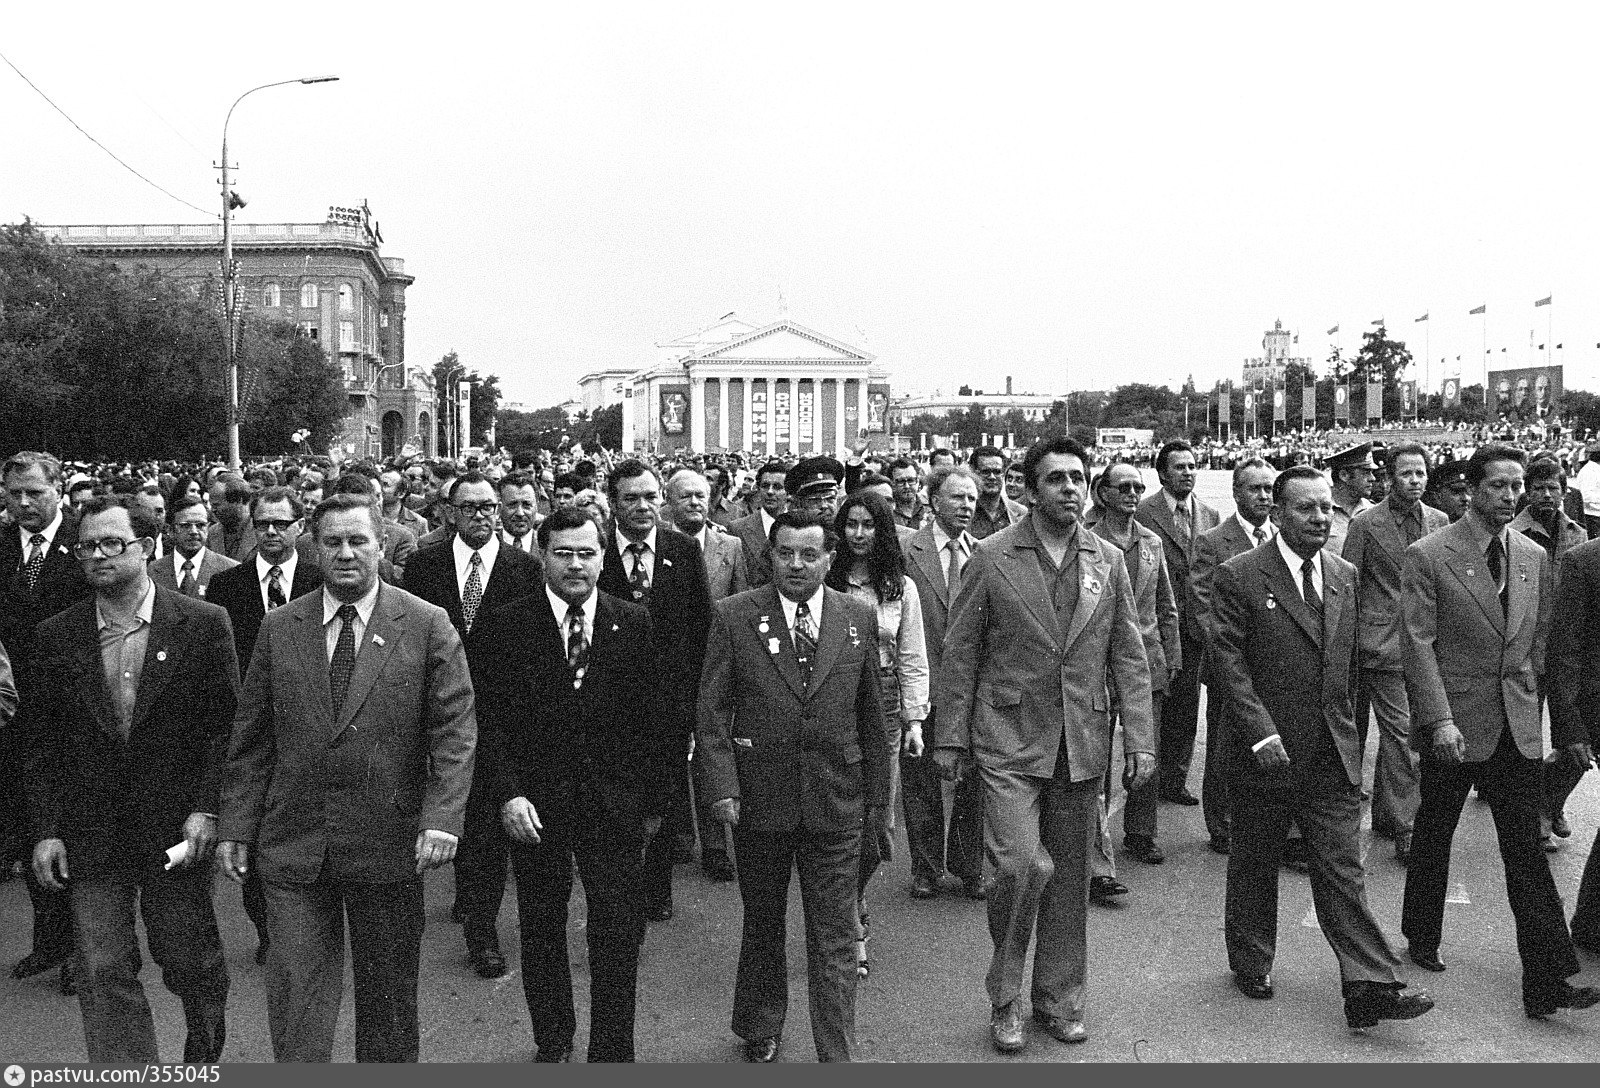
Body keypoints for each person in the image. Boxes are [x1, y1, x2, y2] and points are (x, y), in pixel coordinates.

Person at [218, 493, 477, 1062]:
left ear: (382, 546)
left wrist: (441, 819)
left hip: (386, 844)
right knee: (297, 1000)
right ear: (313, 547)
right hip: (295, 844)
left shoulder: (427, 624)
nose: (345, 554)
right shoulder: (280, 628)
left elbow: (455, 733)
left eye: (358, 540)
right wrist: (236, 823)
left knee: (386, 1003)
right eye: (332, 542)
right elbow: (252, 737)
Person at [937, 436, 1154, 1052]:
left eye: (1078, 478)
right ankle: (1006, 997)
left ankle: (1058, 1000)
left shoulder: (1106, 560)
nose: (1070, 488)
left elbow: (1128, 655)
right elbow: (961, 651)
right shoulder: (992, 556)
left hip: (1080, 739)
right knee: (1016, 867)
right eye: (1056, 478)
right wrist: (950, 738)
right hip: (1007, 738)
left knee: (1068, 882)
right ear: (1029, 491)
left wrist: (1140, 737)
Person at [1209, 467, 1435, 1030]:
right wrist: (1260, 732)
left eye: (1325, 508)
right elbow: (1228, 666)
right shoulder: (1239, 576)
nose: (1319, 519)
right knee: (1256, 860)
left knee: (1341, 867)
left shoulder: (1343, 575)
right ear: (1279, 515)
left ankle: (1369, 984)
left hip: (1332, 753)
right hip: (1266, 751)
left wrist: (1353, 737)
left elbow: (1348, 669)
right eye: (1305, 509)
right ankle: (1252, 960)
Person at [26, 495, 237, 1061]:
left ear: (146, 548)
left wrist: (207, 808)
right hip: (91, 831)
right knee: (102, 965)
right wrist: (46, 828)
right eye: (87, 546)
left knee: (187, 957)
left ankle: (204, 1030)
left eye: (111, 544)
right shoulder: (55, 636)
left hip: (174, 828)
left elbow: (225, 728)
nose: (97, 556)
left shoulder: (201, 624)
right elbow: (41, 743)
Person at [1399, 445, 1599, 1019]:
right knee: (1435, 832)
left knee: (1526, 855)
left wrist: (1538, 707)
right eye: (1498, 487)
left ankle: (1549, 980)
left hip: (1514, 724)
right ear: (1472, 489)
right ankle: (1422, 932)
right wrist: (1437, 718)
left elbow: (1539, 640)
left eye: (1517, 486)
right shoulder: (1430, 555)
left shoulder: (1534, 556)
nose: (1510, 496)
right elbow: (1417, 643)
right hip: (1455, 724)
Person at [473, 508, 667, 1062]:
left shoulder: (632, 623)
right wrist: (508, 794)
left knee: (616, 935)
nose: (576, 565)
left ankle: (612, 1051)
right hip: (535, 807)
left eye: (587, 553)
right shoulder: (507, 623)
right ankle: (553, 1038)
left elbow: (655, 721)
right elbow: (488, 722)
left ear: (603, 557)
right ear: (542, 556)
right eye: (564, 553)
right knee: (541, 927)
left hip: (615, 807)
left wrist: (653, 805)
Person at [697, 510, 891, 1062]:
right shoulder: (735, 616)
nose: (798, 565)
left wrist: (879, 801)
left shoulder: (857, 615)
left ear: (831, 559)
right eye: (786, 553)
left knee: (835, 934)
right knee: (763, 923)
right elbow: (711, 713)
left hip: (836, 799)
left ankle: (838, 1050)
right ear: (771, 556)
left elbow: (872, 718)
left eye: (811, 554)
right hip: (760, 800)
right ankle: (760, 1021)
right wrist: (721, 789)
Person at [402, 471, 540, 979]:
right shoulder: (425, 566)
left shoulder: (525, 568)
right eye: (471, 507)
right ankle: (461, 911)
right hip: (439, 712)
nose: (482, 515)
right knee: (446, 813)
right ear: (449, 512)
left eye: (490, 506)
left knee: (486, 827)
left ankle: (481, 931)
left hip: (504, 714)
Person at [600, 461, 712, 922]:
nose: (643, 507)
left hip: (668, 704)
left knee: (665, 796)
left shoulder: (682, 550)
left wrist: (695, 706)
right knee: (614, 799)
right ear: (613, 504)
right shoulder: (597, 551)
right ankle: (617, 885)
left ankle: (657, 884)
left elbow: (701, 627)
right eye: (631, 498)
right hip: (608, 701)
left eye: (650, 497)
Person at [828, 492, 929, 978]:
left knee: (879, 826)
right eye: (851, 524)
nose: (859, 534)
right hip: (833, 706)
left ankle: (853, 897)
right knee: (839, 822)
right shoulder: (825, 579)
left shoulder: (899, 588)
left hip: (885, 712)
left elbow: (913, 656)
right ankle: (850, 921)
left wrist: (914, 720)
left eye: (869, 524)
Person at [2, 450, 91, 994]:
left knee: (74, 827)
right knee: (31, 825)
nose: (24, 503)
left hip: (74, 709)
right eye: (14, 494)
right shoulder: (1, 547)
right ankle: (50, 940)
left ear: (57, 488)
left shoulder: (86, 545)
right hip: (15, 712)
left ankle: (86, 949)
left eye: (34, 492)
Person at [1341, 444, 1448, 864]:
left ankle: (1389, 814)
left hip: (1427, 643)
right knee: (1402, 734)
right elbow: (1348, 583)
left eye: (1421, 473)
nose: (1415, 481)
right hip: (1380, 646)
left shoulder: (1439, 522)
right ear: (1389, 477)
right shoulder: (1367, 524)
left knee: (1409, 733)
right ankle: (1407, 826)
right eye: (1406, 473)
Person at [1084, 461, 1180, 888]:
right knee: (1097, 756)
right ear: (1101, 492)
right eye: (1122, 486)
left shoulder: (1151, 542)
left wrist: (1171, 656)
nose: (1132, 493)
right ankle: (1092, 842)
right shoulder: (1087, 541)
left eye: (1138, 486)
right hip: (1097, 663)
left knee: (1145, 749)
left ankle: (1141, 831)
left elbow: (1166, 605)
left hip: (1146, 661)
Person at [899, 466, 985, 901]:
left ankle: (970, 866)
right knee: (920, 782)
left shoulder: (984, 553)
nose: (967, 506)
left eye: (972, 499)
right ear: (933, 502)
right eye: (957, 498)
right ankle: (926, 867)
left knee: (974, 780)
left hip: (969, 690)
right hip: (922, 685)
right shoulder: (905, 549)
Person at [662, 468, 748, 881]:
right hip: (675, 664)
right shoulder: (659, 546)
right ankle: (680, 832)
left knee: (713, 749)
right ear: (669, 502)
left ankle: (716, 845)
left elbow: (745, 603)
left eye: (701, 495)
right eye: (685, 497)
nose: (695, 502)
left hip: (720, 662)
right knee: (674, 749)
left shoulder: (729, 547)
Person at [1189, 458, 1277, 856]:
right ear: (1237, 493)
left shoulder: (1280, 536)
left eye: (1269, 489)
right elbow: (1202, 608)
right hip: (1231, 666)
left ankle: (1268, 821)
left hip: (1275, 665)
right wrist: (1233, 658)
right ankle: (1221, 824)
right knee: (1225, 745)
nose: (1263, 496)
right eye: (1255, 489)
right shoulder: (1212, 541)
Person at [1135, 440, 1219, 807]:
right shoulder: (1142, 511)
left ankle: (1175, 777)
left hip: (1194, 625)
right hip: (1155, 624)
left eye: (1193, 465)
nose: (1188, 472)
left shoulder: (1211, 515)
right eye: (1180, 467)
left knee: (1186, 708)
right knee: (1155, 707)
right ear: (1162, 473)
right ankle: (1147, 782)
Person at [1512, 456, 1590, 844]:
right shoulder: (1513, 533)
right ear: (1527, 490)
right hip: (1529, 646)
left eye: (1553, 488)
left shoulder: (1578, 535)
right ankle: (1532, 816)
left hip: (1571, 650)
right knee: (1528, 738)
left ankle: (1550, 801)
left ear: (1564, 491)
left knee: (1576, 737)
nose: (1546, 495)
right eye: (1538, 487)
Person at [151, 495, 236, 598]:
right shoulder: (153, 570)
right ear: (171, 530)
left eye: (200, 525)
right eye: (185, 526)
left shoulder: (230, 570)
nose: (194, 532)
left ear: (208, 528)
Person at [730, 460, 788, 588]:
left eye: (777, 487)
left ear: (788, 492)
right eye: (765, 486)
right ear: (758, 488)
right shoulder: (737, 528)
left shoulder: (799, 527)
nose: (770, 492)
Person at [1325, 443, 1378, 556]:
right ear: (1344, 475)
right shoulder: (1319, 510)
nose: (1372, 478)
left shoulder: (1374, 512)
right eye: (1365, 472)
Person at [968, 446, 1028, 540]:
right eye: (985, 472)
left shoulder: (1021, 513)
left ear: (1003, 473)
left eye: (997, 472)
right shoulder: (965, 511)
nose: (992, 477)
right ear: (973, 473)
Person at [205, 476, 258, 564]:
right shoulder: (212, 533)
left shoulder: (262, 531)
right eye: (212, 505)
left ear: (238, 501)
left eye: (216, 505)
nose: (212, 510)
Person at [497, 470, 543, 557]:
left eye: (527, 505)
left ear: (536, 506)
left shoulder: (547, 547)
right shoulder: (488, 547)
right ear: (499, 508)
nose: (520, 513)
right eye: (512, 505)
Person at [1423, 458, 1472, 523]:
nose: (1465, 498)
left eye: (1469, 491)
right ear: (1437, 497)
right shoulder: (1429, 529)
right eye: (1456, 492)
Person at [888, 458, 929, 531]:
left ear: (918, 482)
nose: (907, 486)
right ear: (892, 483)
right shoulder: (887, 509)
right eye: (900, 481)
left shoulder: (930, 506)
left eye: (911, 480)